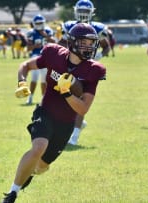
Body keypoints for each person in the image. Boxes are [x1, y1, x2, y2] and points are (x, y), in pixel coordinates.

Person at [2, 22, 106, 203]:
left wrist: (66, 92)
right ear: (72, 42)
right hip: (46, 112)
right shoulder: (54, 54)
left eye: (91, 43)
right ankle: (12, 193)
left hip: (66, 123)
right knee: (38, 147)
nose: (89, 47)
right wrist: (22, 82)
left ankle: (31, 171)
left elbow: (83, 109)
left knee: (42, 167)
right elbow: (25, 65)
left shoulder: (94, 70)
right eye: (84, 42)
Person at [59, 0, 110, 145]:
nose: (83, 14)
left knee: (81, 100)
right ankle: (76, 125)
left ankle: (74, 136)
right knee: (65, 99)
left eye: (86, 12)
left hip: (88, 68)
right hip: (71, 65)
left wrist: (99, 56)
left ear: (91, 12)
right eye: (80, 11)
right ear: (75, 11)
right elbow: (60, 45)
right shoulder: (69, 26)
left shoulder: (98, 28)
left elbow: (106, 47)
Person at [25, 14, 56, 105]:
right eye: (37, 23)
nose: (39, 25)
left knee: (44, 79)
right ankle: (30, 97)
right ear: (34, 24)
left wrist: (45, 36)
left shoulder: (48, 30)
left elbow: (54, 42)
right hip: (35, 57)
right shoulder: (31, 32)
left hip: (46, 57)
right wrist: (35, 46)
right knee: (34, 78)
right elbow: (28, 48)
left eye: (40, 23)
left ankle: (43, 98)